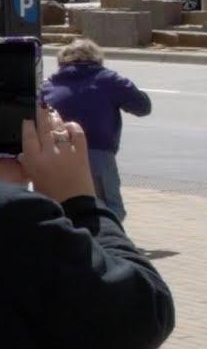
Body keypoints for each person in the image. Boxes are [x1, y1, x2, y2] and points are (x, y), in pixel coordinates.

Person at [0, 0, 174, 348]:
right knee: (111, 203)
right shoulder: (1, 223)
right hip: (84, 161)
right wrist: (81, 204)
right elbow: (144, 313)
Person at [41, 39, 152, 222]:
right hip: (97, 153)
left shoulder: (47, 85)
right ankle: (109, 245)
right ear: (97, 59)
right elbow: (143, 106)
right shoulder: (108, 79)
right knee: (110, 208)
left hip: (57, 153)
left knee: (61, 205)